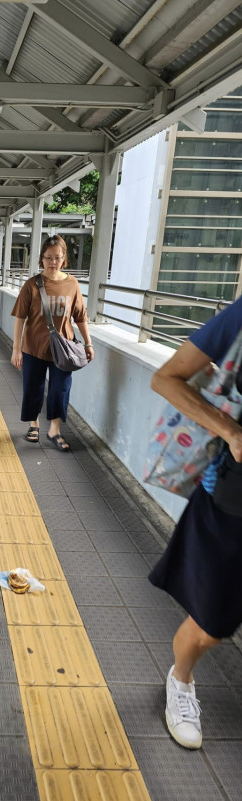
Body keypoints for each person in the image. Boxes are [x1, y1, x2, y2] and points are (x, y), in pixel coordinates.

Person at [148, 296, 242, 750]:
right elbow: (166, 377)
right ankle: (181, 680)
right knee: (212, 624)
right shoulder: (241, 318)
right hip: (234, 498)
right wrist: (231, 431)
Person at [10, 235, 93, 450]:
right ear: (42, 258)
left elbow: (80, 316)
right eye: (48, 257)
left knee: (60, 389)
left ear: (64, 258)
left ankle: (54, 430)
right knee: (33, 388)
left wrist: (88, 344)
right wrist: (16, 349)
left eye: (57, 257)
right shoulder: (32, 285)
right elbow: (20, 317)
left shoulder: (72, 283)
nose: (53, 262)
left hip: (63, 349)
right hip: (33, 347)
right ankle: (34, 424)